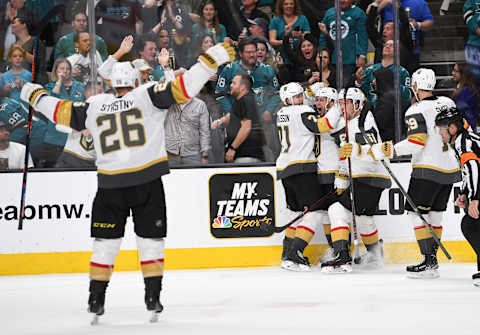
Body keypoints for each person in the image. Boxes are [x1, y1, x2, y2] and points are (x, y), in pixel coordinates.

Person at [20, 39, 235, 320]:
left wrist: (34, 95)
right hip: (147, 182)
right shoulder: (147, 94)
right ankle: (152, 297)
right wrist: (210, 60)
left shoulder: (95, 105)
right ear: (134, 81)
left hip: (109, 186)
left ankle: (95, 299)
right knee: (151, 241)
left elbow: (61, 111)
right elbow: (184, 88)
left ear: (113, 85)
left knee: (105, 244)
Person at [393, 68, 461, 279]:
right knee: (436, 215)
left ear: (415, 86)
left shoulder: (415, 109)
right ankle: (432, 260)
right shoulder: (448, 103)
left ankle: (428, 261)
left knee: (417, 213)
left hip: (427, 169)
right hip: (450, 169)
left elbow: (416, 142)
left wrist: (390, 149)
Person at [321, 88, 390, 273]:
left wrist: (356, 150)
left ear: (358, 104)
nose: (343, 107)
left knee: (337, 210)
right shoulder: (349, 125)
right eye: (341, 104)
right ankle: (376, 254)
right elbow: (347, 157)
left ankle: (342, 257)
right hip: (368, 178)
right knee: (363, 218)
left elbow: (374, 152)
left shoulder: (363, 121)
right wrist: (341, 181)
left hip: (368, 176)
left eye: (347, 103)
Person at [274, 82, 342, 271]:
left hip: (285, 170)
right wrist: (336, 106)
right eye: (298, 96)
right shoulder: (302, 110)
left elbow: (306, 111)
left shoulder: (282, 113)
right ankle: (296, 254)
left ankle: (287, 255)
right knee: (316, 212)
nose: (302, 99)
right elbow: (324, 125)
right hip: (302, 168)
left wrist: (313, 91)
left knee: (296, 213)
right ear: (289, 99)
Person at [435, 107, 480, 287]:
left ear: (452, 128)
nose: (439, 132)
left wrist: (475, 198)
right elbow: (469, 171)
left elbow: (473, 168)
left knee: (470, 224)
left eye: (441, 128)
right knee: (473, 224)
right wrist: (464, 192)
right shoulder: (461, 141)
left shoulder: (463, 143)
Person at [216, 38, 280, 124]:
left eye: (254, 51)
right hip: (237, 120)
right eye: (248, 52)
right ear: (241, 54)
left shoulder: (267, 69)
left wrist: (269, 110)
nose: (252, 55)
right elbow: (219, 94)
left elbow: (276, 93)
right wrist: (229, 112)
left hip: (261, 121)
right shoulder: (229, 69)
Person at [311, 84, 341, 264]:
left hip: (334, 173)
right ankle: (334, 249)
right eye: (317, 99)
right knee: (325, 215)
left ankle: (340, 249)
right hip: (322, 173)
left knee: (336, 213)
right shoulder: (322, 115)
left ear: (331, 103)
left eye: (322, 100)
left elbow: (325, 126)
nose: (317, 103)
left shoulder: (335, 115)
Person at [211, 73, 265, 163]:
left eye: (234, 83)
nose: (231, 85)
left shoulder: (245, 100)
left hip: (246, 156)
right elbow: (231, 115)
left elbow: (246, 127)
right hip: (243, 156)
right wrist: (220, 121)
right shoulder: (242, 101)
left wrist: (232, 148)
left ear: (242, 87)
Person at [319, 0, 368, 82]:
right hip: (331, 59)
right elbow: (323, 35)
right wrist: (321, 52)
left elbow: (362, 36)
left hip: (349, 60)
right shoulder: (329, 13)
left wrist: (362, 55)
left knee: (345, 88)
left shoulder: (358, 13)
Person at [355, 39, 411, 108]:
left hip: (391, 111)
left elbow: (408, 95)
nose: (387, 47)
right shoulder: (370, 70)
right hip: (371, 111)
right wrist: (358, 82)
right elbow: (361, 93)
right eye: (386, 45)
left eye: (391, 46)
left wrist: (388, 84)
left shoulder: (402, 72)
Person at [366, 0, 414, 74]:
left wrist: (397, 6)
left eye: (388, 29)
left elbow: (405, 24)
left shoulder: (404, 43)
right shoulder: (380, 44)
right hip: (380, 80)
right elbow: (369, 26)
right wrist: (376, 3)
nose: (384, 31)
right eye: (384, 28)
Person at [165, 97, 211, 165]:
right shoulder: (167, 103)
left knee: (195, 175)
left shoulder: (200, 105)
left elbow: (204, 131)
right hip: (170, 153)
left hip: (193, 154)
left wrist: (205, 155)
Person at [268, 0, 311, 64]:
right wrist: (285, 41)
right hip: (283, 57)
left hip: (300, 56)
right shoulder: (275, 21)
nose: (289, 6)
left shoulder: (302, 18)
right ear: (281, 6)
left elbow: (309, 36)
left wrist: (301, 36)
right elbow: (272, 41)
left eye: (291, 4)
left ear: (295, 5)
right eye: (286, 4)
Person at [11, 13, 48, 84]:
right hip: (15, 83)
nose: (12, 26)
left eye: (14, 23)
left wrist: (20, 50)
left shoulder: (35, 42)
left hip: (33, 84)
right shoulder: (13, 45)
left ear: (24, 25)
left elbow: (38, 62)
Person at [451, 63, 479, 132]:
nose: (452, 73)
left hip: (466, 130)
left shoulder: (466, 91)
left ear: (463, 74)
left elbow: (460, 111)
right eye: (453, 70)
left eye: (456, 71)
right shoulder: (462, 88)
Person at [463, 0, 480, 88]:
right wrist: (478, 30)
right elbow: (468, 17)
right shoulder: (471, 1)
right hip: (474, 46)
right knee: (474, 78)